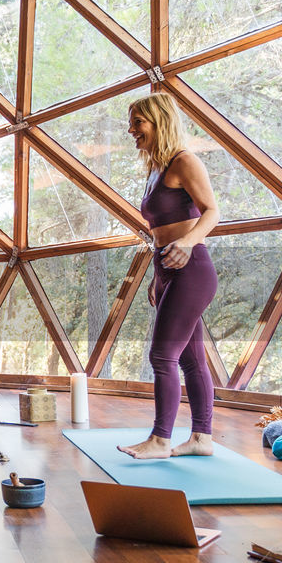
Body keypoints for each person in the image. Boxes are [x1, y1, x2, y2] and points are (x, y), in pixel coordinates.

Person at [117, 93, 219, 460]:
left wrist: (189, 243)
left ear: (159, 121)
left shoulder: (184, 161)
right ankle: (201, 439)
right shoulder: (157, 168)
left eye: (138, 122)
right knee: (191, 359)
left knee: (163, 356)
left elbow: (212, 212)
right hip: (168, 269)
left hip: (192, 268)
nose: (131, 130)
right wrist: (156, 276)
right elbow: (161, 229)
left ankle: (160, 440)